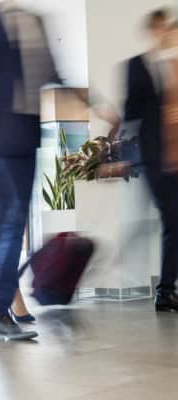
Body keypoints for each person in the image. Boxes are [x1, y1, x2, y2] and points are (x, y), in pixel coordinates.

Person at [0, 2, 64, 339]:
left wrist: (95, 104)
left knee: (16, 223)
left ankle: (2, 302)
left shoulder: (37, 20)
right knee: (11, 223)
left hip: (26, 136)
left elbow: (52, 71)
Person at [123, 10, 178, 312]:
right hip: (155, 158)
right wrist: (123, 156)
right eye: (159, 28)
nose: (165, 34)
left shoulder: (176, 67)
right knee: (172, 218)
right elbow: (130, 113)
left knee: (173, 222)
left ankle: (166, 290)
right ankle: (166, 290)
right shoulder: (137, 66)